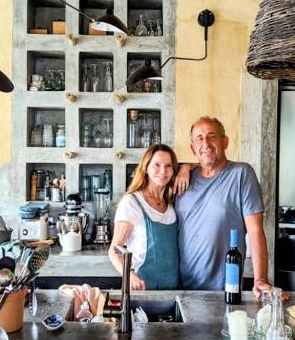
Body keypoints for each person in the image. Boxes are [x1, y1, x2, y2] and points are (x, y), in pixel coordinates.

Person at [174, 116, 271, 297]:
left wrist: (261, 279)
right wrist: (185, 166)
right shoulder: (183, 179)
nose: (206, 143)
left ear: (225, 142)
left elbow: (256, 230)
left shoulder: (242, 174)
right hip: (182, 289)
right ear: (192, 147)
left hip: (224, 290)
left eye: (212, 136)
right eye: (199, 139)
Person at [108, 144, 179, 291]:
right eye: (156, 165)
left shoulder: (172, 203)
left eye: (168, 166)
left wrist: (187, 168)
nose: (163, 171)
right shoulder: (132, 202)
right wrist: (129, 274)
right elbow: (114, 250)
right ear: (146, 168)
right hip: (142, 288)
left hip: (173, 290)